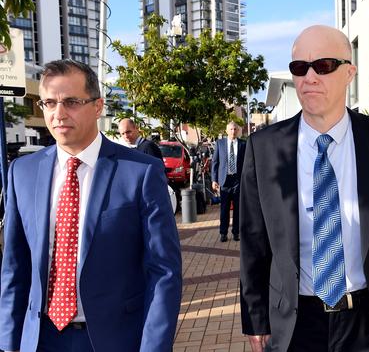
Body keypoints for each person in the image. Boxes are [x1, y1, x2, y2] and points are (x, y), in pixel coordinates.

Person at [239, 25, 369, 352]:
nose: (310, 77)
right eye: (300, 67)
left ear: (349, 73)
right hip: (294, 326)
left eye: (324, 66)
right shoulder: (264, 147)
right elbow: (254, 241)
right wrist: (255, 316)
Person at [0, 59, 182, 352]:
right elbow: (14, 269)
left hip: (114, 339)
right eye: (49, 103)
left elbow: (164, 272)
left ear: (97, 106)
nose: (58, 114)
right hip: (39, 338)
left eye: (71, 102)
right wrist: (8, 344)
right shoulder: (21, 172)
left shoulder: (140, 171)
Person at [211, 122, 246, 242]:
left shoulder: (243, 144)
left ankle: (236, 232)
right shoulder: (219, 143)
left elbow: (246, 163)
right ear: (226, 131)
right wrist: (214, 179)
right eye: (231, 129)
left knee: (238, 209)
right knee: (224, 209)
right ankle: (223, 233)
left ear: (238, 131)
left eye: (235, 129)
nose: (233, 131)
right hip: (224, 181)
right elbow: (215, 162)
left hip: (237, 180)